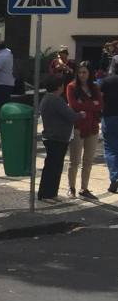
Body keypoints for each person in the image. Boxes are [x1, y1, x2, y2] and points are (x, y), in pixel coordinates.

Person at [38, 74, 83, 202]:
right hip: (56, 137)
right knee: (53, 167)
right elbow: (71, 116)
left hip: (53, 136)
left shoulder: (47, 99)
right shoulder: (55, 100)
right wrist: (80, 114)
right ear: (59, 86)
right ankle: (46, 194)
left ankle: (51, 193)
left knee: (55, 167)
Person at [65, 62, 105, 199]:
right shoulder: (71, 87)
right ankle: (71, 187)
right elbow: (74, 105)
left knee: (88, 160)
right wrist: (91, 104)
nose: (82, 75)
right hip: (78, 127)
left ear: (90, 74)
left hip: (92, 127)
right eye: (80, 72)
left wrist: (85, 105)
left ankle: (84, 188)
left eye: (85, 72)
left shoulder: (94, 87)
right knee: (74, 161)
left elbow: (100, 105)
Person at [101, 56, 118, 195]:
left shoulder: (106, 81)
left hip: (110, 117)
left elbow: (99, 98)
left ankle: (114, 177)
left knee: (110, 149)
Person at [0, 40, 17, 109]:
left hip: (2, 84)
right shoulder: (7, 54)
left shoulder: (2, 56)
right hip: (5, 83)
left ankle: (4, 118)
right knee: (5, 103)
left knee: (3, 105)